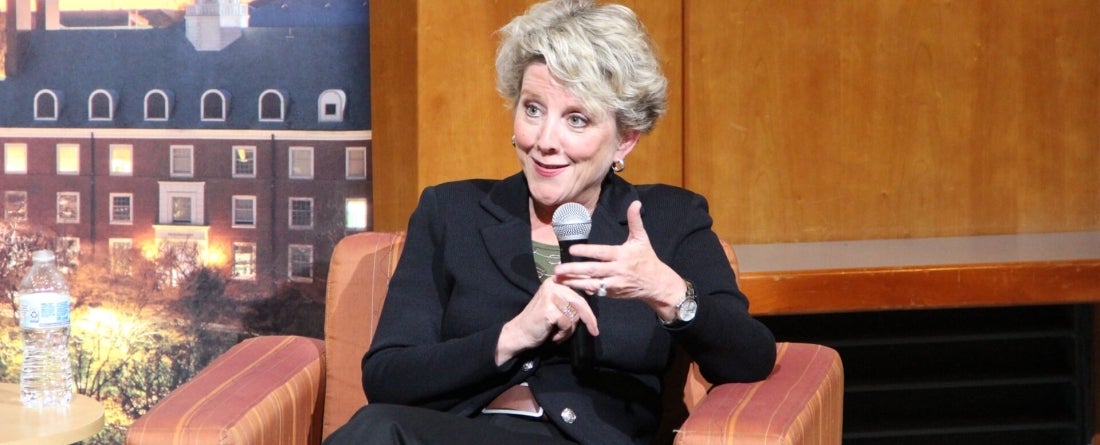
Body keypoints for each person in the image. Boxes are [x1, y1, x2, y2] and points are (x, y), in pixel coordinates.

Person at [324, 0, 776, 443]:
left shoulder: (669, 218)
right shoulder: (451, 211)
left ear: (624, 140)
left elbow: (750, 357)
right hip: (454, 432)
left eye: (576, 119)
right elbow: (387, 378)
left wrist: (666, 290)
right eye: (533, 109)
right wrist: (513, 335)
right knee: (376, 429)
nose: (544, 141)